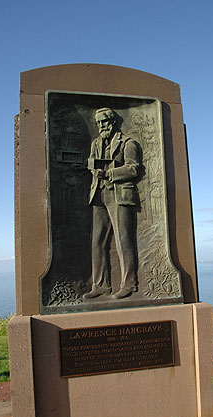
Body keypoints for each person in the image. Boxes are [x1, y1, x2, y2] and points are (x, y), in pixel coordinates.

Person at [83, 107, 140, 300]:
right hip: (98, 195)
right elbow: (92, 162)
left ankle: (129, 284)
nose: (101, 126)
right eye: (98, 123)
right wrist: (93, 168)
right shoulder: (96, 143)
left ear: (113, 122)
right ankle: (101, 285)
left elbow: (133, 168)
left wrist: (109, 173)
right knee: (97, 241)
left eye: (104, 122)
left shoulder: (128, 143)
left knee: (123, 240)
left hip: (120, 196)